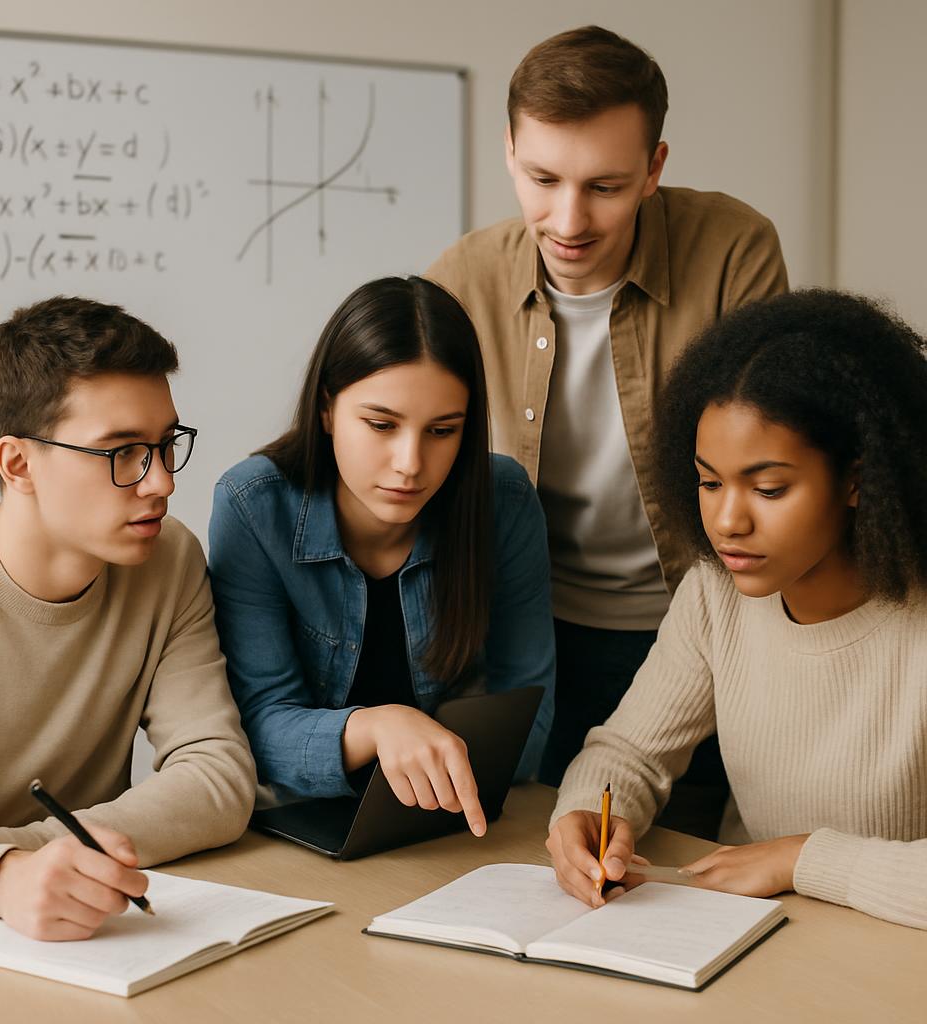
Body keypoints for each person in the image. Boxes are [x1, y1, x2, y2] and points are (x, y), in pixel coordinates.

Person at [427, 26, 789, 825]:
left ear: (656, 167)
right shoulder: (460, 278)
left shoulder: (734, 249)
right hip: (529, 630)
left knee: (695, 849)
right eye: (541, 177)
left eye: (606, 186)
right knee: (543, 842)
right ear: (509, 150)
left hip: (699, 620)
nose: (568, 219)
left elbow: (772, 452)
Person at [546, 289, 927, 929]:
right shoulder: (714, 593)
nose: (727, 522)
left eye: (768, 487)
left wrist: (800, 860)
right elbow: (631, 751)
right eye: (709, 481)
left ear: (860, 479)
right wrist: (585, 812)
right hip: (750, 942)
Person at [0, 296, 257, 939]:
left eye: (165, 444)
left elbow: (216, 777)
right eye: (122, 452)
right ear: (18, 463)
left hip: (92, 927)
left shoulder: (168, 559)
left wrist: (42, 854)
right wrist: (0, 876)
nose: (162, 483)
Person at [209, 277, 555, 836]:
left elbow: (526, 716)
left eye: (443, 431)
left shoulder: (504, 503)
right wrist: (377, 729)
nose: (410, 463)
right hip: (294, 826)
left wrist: (433, 770)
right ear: (326, 410)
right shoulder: (254, 506)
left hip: (458, 825)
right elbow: (256, 729)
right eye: (381, 425)